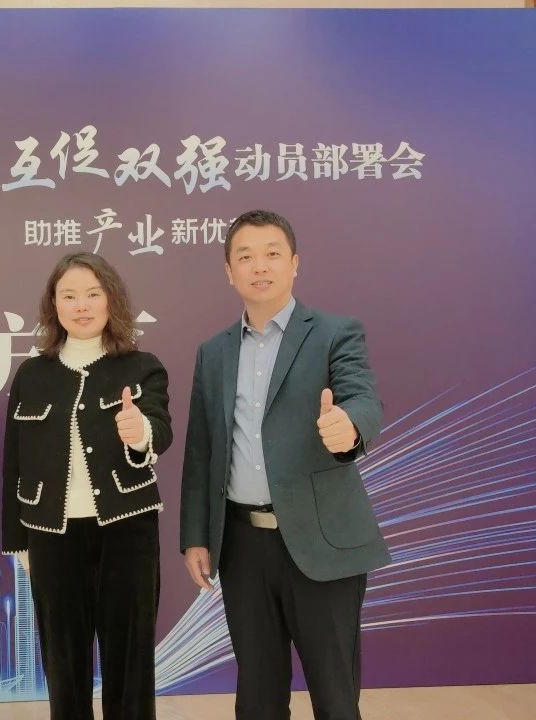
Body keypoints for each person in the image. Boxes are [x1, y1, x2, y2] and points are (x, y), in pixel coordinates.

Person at [179, 209, 389, 720]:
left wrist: (348, 425)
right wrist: (196, 536)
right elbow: (201, 449)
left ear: (294, 263)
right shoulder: (213, 352)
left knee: (335, 697)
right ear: (229, 271)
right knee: (257, 696)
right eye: (245, 256)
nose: (260, 266)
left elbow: (364, 398)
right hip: (242, 546)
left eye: (272, 253)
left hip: (322, 540)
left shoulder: (335, 332)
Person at [1, 252, 172, 720]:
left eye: (93, 294)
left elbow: (160, 427)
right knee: (64, 665)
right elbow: (13, 460)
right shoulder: (32, 374)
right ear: (53, 304)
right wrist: (18, 543)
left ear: (112, 299)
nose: (82, 305)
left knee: (130, 663)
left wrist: (141, 433)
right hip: (52, 537)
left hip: (128, 533)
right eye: (69, 295)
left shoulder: (141, 366)